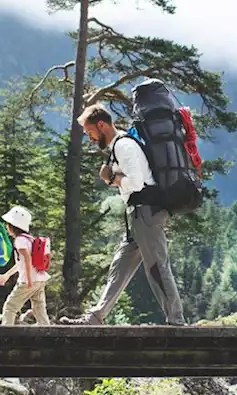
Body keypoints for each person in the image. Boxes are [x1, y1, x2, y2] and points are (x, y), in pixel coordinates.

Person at [60, 104, 185, 325]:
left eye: (90, 133)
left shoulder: (124, 146)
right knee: (119, 267)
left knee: (157, 267)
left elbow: (136, 183)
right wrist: (114, 178)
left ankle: (176, 321)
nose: (90, 138)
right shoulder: (120, 145)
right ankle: (96, 317)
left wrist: (110, 178)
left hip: (146, 212)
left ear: (101, 125)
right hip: (137, 215)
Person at [0, 205, 50, 325]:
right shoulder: (30, 239)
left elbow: (27, 258)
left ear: (12, 226)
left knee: (10, 306)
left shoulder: (20, 240)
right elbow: (21, 263)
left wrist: (29, 280)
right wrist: (7, 275)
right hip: (40, 278)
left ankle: (5, 333)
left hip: (28, 280)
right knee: (39, 307)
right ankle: (47, 330)